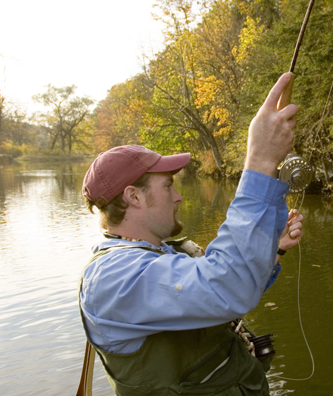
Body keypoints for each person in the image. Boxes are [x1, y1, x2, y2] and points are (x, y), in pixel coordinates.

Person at [79, 73, 304, 396]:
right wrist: (260, 161)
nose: (178, 197)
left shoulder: (159, 254)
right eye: (168, 186)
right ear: (134, 197)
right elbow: (228, 287)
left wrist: (273, 249)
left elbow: (219, 300)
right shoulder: (115, 278)